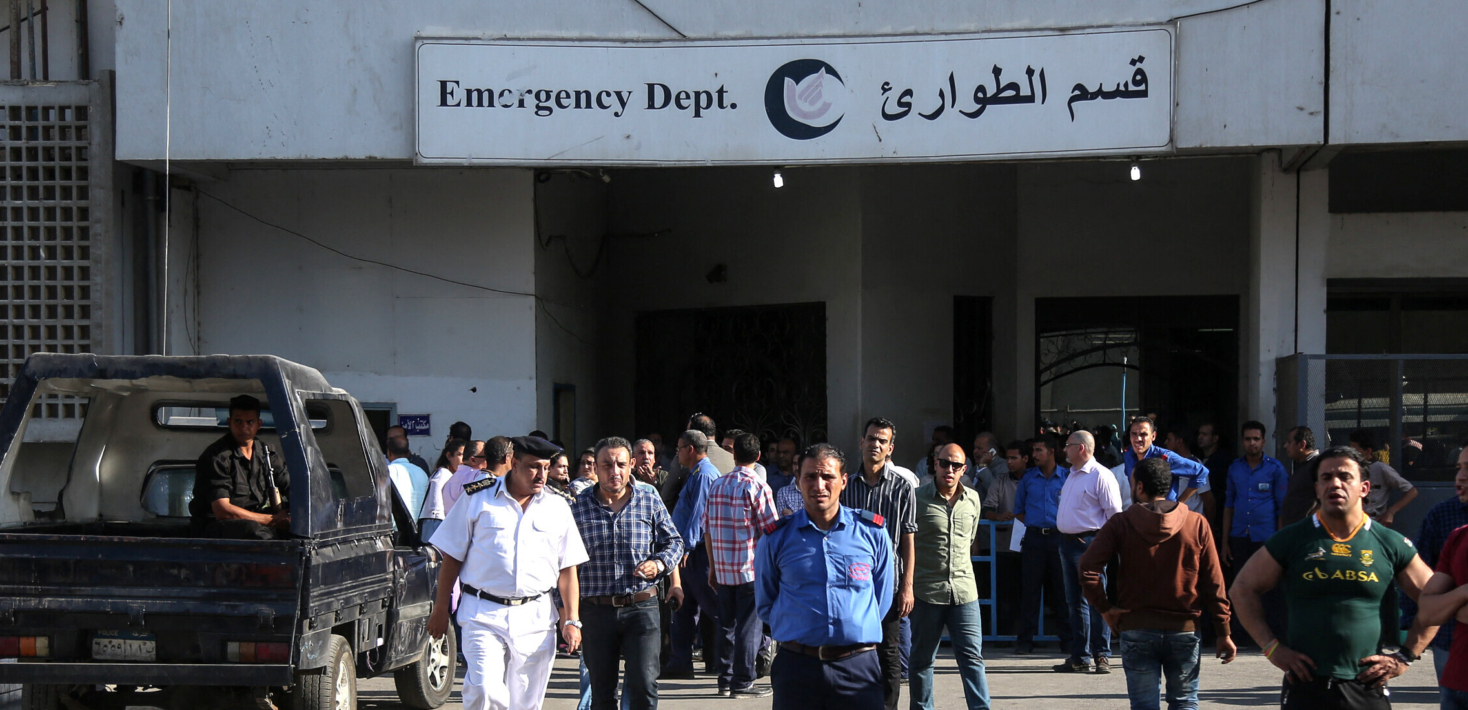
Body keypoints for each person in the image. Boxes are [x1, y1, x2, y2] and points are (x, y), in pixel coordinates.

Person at [1230, 446, 1436, 710]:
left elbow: (1434, 600)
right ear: (1317, 488)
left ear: (1364, 488)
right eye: (1326, 478)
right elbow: (1242, 589)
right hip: (1306, 686)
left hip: (1366, 686)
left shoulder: (1388, 542)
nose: (1334, 483)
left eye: (1345, 476)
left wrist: (1405, 657)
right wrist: (1272, 648)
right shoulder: (1292, 539)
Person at [427, 436, 589, 710]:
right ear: (513, 464)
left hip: (535, 617)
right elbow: (451, 557)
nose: (541, 475)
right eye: (533, 467)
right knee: (485, 692)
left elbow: (568, 568)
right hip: (483, 613)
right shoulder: (477, 498)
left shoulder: (557, 506)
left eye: (546, 467)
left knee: (526, 702)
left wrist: (572, 619)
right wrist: (441, 607)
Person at [1080, 457, 1236, 710]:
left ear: (1139, 487)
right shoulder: (1196, 523)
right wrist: (1223, 631)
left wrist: (1106, 609)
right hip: (1184, 628)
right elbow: (1214, 582)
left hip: (1137, 626)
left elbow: (1087, 569)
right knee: (1185, 702)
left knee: (1143, 704)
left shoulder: (1121, 523)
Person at [755, 443, 893, 710]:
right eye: (810, 477)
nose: (819, 485)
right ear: (798, 481)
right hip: (797, 667)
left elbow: (882, 599)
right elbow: (766, 602)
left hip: (857, 667)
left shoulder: (873, 534)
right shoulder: (776, 538)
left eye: (828, 477)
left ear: (843, 481)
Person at [571, 437, 685, 710]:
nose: (615, 471)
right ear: (595, 469)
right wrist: (566, 613)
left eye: (621, 464)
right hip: (596, 610)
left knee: (644, 686)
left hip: (641, 607)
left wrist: (659, 564)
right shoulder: (577, 505)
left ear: (631, 464)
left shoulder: (648, 497)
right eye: (607, 465)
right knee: (601, 693)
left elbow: (674, 542)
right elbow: (563, 562)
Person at [909, 441, 991, 710]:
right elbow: (905, 545)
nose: (950, 469)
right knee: (922, 660)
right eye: (944, 463)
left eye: (956, 465)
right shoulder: (916, 498)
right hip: (926, 591)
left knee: (972, 659)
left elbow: (970, 539)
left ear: (963, 469)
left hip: (964, 591)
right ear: (935, 463)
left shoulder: (973, 499)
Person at [843, 417, 918, 710]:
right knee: (852, 650)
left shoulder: (902, 487)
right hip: (852, 582)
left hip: (889, 584)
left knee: (889, 652)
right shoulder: (846, 484)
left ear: (890, 448)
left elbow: (909, 540)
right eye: (871, 438)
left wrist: (907, 587)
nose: (875, 444)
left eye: (882, 441)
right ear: (861, 442)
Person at [702, 432, 779, 698]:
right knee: (749, 626)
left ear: (733, 454)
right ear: (758, 456)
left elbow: (708, 530)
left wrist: (712, 566)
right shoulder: (759, 487)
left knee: (726, 625)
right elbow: (771, 531)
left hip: (723, 569)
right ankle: (743, 681)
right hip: (750, 569)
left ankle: (725, 680)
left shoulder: (718, 484)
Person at [1401, 447, 1468, 704]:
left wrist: (1449, 604)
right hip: (1451, 651)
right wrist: (1463, 593)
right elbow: (1426, 604)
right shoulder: (1450, 526)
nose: (1460, 477)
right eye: (1458, 468)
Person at [1055, 430, 1124, 674]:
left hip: (1089, 543)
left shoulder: (1100, 476)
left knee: (1096, 599)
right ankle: (1080, 656)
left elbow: (1114, 516)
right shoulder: (1072, 474)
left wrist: (1102, 547)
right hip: (1067, 542)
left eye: (1068, 445)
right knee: (1075, 602)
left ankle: (1102, 654)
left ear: (1081, 448)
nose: (1064, 449)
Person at [664, 430, 722, 679]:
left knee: (716, 609)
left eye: (679, 448)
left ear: (690, 449)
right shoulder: (695, 474)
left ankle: (727, 663)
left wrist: (685, 547)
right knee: (683, 609)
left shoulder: (705, 475)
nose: (677, 454)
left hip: (696, 554)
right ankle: (680, 663)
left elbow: (700, 515)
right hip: (687, 554)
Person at [190, 394, 290, 539]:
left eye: (250, 422)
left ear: (259, 424)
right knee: (252, 529)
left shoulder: (267, 454)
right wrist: (273, 520)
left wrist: (292, 513)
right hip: (216, 527)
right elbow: (223, 511)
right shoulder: (217, 457)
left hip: (255, 520)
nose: (244, 427)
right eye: (238, 421)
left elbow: (290, 486)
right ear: (229, 422)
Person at [1013, 435, 1072, 655]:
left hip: (1060, 537)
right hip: (1035, 538)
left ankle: (1067, 639)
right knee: (1030, 591)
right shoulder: (1028, 478)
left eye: (1039, 450)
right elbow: (1019, 510)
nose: (1034, 455)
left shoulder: (1066, 477)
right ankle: (1025, 641)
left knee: (1062, 591)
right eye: (1033, 451)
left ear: (1051, 452)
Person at [1124, 416, 1208, 508]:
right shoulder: (1128, 456)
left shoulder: (1165, 457)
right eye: (1134, 434)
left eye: (1143, 434)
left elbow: (1201, 471)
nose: (1138, 439)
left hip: (1163, 516)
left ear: (1153, 436)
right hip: (1140, 515)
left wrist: (1179, 504)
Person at [1349, 430, 1420, 528]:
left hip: (1372, 522)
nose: (1351, 454)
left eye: (1355, 451)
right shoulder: (1348, 469)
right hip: (1350, 521)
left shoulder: (1381, 469)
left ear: (1368, 451)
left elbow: (1412, 491)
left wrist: (1390, 512)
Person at [1163, 424, 1214, 519]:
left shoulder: (1195, 466)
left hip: (1190, 522)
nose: (1166, 442)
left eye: (1169, 439)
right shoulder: (1167, 464)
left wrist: (1209, 527)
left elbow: (1208, 500)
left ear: (1179, 442)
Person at [421, 438, 466, 542]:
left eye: (465, 455)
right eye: (460, 455)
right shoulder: (443, 475)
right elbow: (436, 507)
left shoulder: (449, 474)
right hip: (437, 524)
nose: (463, 459)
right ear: (449, 456)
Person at [446, 437, 508, 509]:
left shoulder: (449, 480)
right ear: (473, 460)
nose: (489, 461)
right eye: (487, 457)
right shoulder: (482, 478)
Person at [1280, 426, 1321, 527]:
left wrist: (1309, 523)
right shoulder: (1302, 465)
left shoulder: (1318, 466)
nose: (1285, 446)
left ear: (1302, 444)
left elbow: (1324, 500)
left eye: (1289, 442)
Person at [387, 435, 430, 523]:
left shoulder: (387, 472)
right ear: (408, 453)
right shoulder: (421, 472)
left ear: (389, 453)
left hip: (396, 530)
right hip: (419, 529)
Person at [1197, 423, 1233, 523]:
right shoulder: (1198, 459)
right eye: (1199, 434)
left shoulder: (1222, 462)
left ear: (1215, 438)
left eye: (1204, 434)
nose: (1200, 437)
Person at [967, 431, 1007, 501]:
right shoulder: (974, 468)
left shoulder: (1003, 466)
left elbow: (995, 492)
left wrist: (983, 468)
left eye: (979, 448)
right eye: (975, 448)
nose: (975, 451)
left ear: (992, 451)